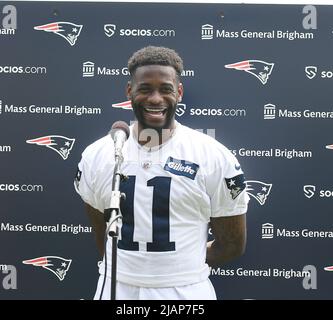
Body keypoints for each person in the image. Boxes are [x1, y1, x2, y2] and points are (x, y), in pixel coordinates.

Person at [75, 46, 249, 300]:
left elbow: (232, 244)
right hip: (116, 287)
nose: (155, 98)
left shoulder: (212, 155)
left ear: (178, 92)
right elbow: (102, 234)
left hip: (184, 290)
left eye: (165, 89)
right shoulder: (98, 155)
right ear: (129, 91)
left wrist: (179, 263)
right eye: (145, 89)